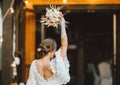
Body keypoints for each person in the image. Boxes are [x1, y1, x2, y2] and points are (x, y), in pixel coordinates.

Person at [26, 17, 70, 85]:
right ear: (52, 51)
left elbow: (31, 83)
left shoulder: (34, 64)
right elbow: (64, 44)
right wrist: (62, 25)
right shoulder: (56, 64)